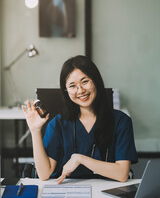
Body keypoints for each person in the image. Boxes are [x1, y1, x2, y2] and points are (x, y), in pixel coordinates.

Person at [22, 55, 138, 184]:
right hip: (66, 192)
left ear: (96, 81)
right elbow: (44, 174)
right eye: (72, 86)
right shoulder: (58, 124)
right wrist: (35, 131)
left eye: (85, 81)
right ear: (66, 91)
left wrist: (80, 159)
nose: (80, 90)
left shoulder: (121, 121)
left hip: (107, 192)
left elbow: (122, 174)